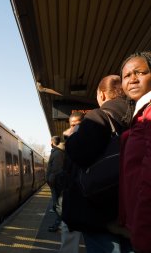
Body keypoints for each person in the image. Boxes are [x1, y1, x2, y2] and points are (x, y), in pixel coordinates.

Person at [64, 75, 133, 253]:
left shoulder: (99, 116)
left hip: (101, 214)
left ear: (102, 94)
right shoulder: (138, 117)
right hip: (131, 210)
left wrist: (71, 137)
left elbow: (79, 153)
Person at [119, 51, 151, 253]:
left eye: (139, 72)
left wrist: (142, 235)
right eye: (127, 75)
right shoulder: (140, 114)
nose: (132, 79)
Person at [58, 112, 84, 253]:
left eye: (78, 125)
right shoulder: (70, 142)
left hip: (81, 194)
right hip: (72, 193)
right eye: (72, 125)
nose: (74, 128)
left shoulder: (88, 139)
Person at [46, 136, 65, 232]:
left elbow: (56, 170)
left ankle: (59, 225)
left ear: (52, 142)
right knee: (57, 205)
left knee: (57, 205)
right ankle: (59, 224)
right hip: (56, 183)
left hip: (57, 183)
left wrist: (50, 180)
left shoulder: (57, 153)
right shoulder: (57, 152)